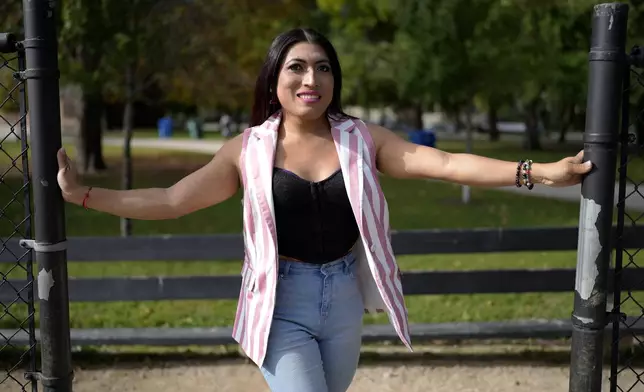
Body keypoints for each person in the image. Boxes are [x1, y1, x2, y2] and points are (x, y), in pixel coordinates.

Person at [56, 28, 592, 392]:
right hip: (279, 304)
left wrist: (543, 173)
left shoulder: (362, 139)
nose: (311, 80)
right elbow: (172, 200)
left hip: (342, 303)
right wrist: (84, 194)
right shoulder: (247, 150)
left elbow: (447, 163)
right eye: (297, 68)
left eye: (322, 69)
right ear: (275, 79)